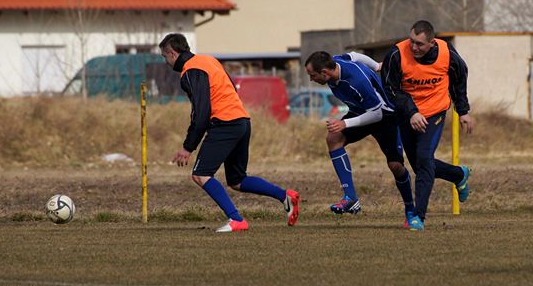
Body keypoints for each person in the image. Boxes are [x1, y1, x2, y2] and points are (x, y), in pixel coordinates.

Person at [159, 33, 300, 233]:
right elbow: (231, 88)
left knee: (201, 174)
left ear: (172, 53)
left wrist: (188, 146)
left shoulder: (190, 70)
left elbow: (201, 111)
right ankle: (285, 196)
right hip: (241, 120)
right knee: (237, 180)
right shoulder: (208, 60)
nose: (165, 62)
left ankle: (237, 220)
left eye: (164, 57)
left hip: (224, 123)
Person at [382, 20, 474, 231]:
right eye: (412, 41)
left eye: (420, 44)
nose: (414, 47)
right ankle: (458, 174)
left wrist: (463, 111)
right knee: (419, 165)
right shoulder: (396, 55)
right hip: (407, 114)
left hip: (435, 112)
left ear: (432, 43)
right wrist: (412, 112)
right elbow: (390, 89)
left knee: (424, 160)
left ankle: (418, 217)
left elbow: (460, 77)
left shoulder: (447, 53)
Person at [304, 51, 415, 225]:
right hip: (361, 111)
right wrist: (376, 66)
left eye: (313, 75)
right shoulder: (337, 61)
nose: (312, 79)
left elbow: (376, 114)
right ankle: (350, 199)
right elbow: (354, 55)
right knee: (334, 139)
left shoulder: (357, 82)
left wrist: (345, 124)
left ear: (325, 72)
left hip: (385, 116)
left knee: (395, 166)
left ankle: (411, 210)